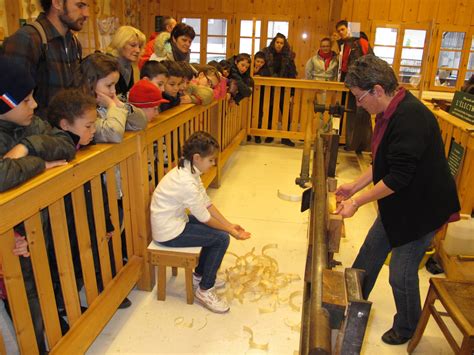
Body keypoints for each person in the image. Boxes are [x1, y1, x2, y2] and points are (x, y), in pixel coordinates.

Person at [335, 55, 460, 346]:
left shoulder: (410, 117)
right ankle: (349, 305)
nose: (358, 104)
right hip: (401, 201)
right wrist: (355, 186)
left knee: (401, 273)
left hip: (423, 208)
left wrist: (358, 202)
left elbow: (398, 177)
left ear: (377, 90)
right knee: (369, 253)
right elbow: (383, 164)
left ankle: (407, 326)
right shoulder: (390, 112)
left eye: (359, 97)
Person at [0, 56, 76, 353]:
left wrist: (29, 147)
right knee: (22, 299)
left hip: (36, 231)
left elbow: (66, 144)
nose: (34, 105)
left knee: (41, 288)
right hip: (10, 242)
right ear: (4, 103)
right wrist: (41, 165)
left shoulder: (33, 124)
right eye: (26, 100)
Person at [150, 131, 251, 313]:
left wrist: (229, 225)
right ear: (197, 157)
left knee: (216, 232)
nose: (214, 164)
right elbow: (205, 217)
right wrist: (230, 232)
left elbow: (206, 202)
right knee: (221, 238)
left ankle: (200, 275)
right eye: (211, 160)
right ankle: (205, 289)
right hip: (168, 232)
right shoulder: (186, 182)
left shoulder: (189, 168)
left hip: (174, 221)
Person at [3, 0, 89, 119]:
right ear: (57, 3)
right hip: (35, 134)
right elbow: (9, 103)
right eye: (80, 5)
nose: (86, 13)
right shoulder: (27, 39)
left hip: (65, 134)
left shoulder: (74, 43)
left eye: (87, 6)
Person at [79, 53, 147, 143]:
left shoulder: (108, 105)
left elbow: (141, 123)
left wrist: (121, 105)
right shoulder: (84, 113)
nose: (113, 91)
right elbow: (114, 134)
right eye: (109, 85)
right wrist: (112, 106)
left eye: (115, 85)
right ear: (90, 82)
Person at [334, 20, 373, 152]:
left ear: (348, 29)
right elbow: (344, 65)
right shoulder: (345, 45)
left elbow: (369, 61)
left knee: (362, 114)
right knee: (351, 114)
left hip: (362, 85)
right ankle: (352, 144)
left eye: (343, 29)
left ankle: (364, 146)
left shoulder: (361, 42)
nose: (341, 32)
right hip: (351, 85)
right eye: (339, 31)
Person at [261, 33, 297, 146]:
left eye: (281, 43)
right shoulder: (266, 54)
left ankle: (285, 138)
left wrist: (292, 93)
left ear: (284, 44)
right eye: (277, 42)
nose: (279, 45)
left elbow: (292, 74)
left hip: (284, 89)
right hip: (270, 88)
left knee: (286, 112)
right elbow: (261, 68)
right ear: (274, 42)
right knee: (271, 111)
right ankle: (270, 135)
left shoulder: (288, 57)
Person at [305, 37, 339, 132]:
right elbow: (308, 73)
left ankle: (327, 132)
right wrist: (313, 86)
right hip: (317, 88)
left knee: (330, 112)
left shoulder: (335, 60)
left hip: (330, 89)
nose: (325, 48)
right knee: (318, 112)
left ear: (330, 47)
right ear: (320, 47)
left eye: (327, 46)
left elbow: (337, 74)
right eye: (323, 46)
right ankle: (317, 132)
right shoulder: (313, 60)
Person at [105, 26, 146, 100]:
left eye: (139, 46)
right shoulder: (107, 65)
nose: (138, 50)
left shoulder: (128, 66)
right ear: (120, 44)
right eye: (133, 45)